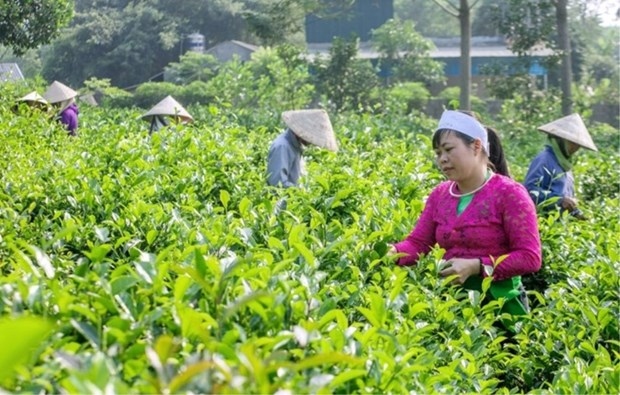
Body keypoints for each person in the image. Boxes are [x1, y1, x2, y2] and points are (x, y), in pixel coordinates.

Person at [388, 110, 542, 331]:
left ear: (476, 146)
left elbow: (529, 257)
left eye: (449, 149)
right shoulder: (440, 194)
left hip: (500, 311)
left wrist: (477, 266)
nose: (442, 159)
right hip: (452, 307)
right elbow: (418, 244)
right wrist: (392, 252)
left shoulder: (510, 194)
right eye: (438, 152)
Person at [523, 114, 598, 219]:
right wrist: (559, 200)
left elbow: (567, 201)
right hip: (545, 223)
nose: (576, 148)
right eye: (572, 143)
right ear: (561, 141)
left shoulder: (565, 165)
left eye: (578, 145)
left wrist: (577, 213)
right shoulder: (544, 159)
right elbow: (528, 191)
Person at [266, 109, 338, 188]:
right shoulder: (282, 147)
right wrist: (300, 193)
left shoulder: (296, 146)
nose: (311, 142)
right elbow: (277, 184)